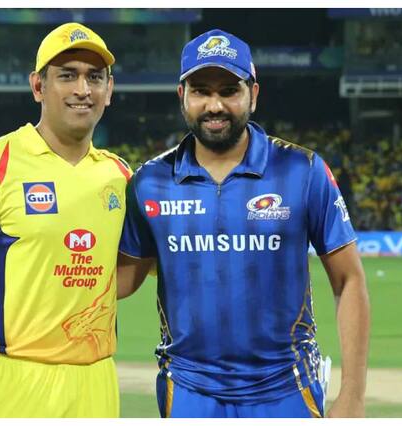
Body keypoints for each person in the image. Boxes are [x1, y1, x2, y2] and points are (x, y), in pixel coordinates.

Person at [117, 29, 370, 418]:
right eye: (201, 91)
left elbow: (349, 279)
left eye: (229, 91)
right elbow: (122, 281)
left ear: (253, 94)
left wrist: (353, 396)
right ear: (182, 95)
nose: (215, 105)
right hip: (188, 390)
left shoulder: (302, 171)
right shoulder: (150, 181)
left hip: (287, 388)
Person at [0, 22, 131, 418]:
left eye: (95, 77)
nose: (83, 89)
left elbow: (135, 268)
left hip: (99, 383)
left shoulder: (120, 176)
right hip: (12, 382)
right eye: (67, 75)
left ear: (109, 89)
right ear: (38, 86)